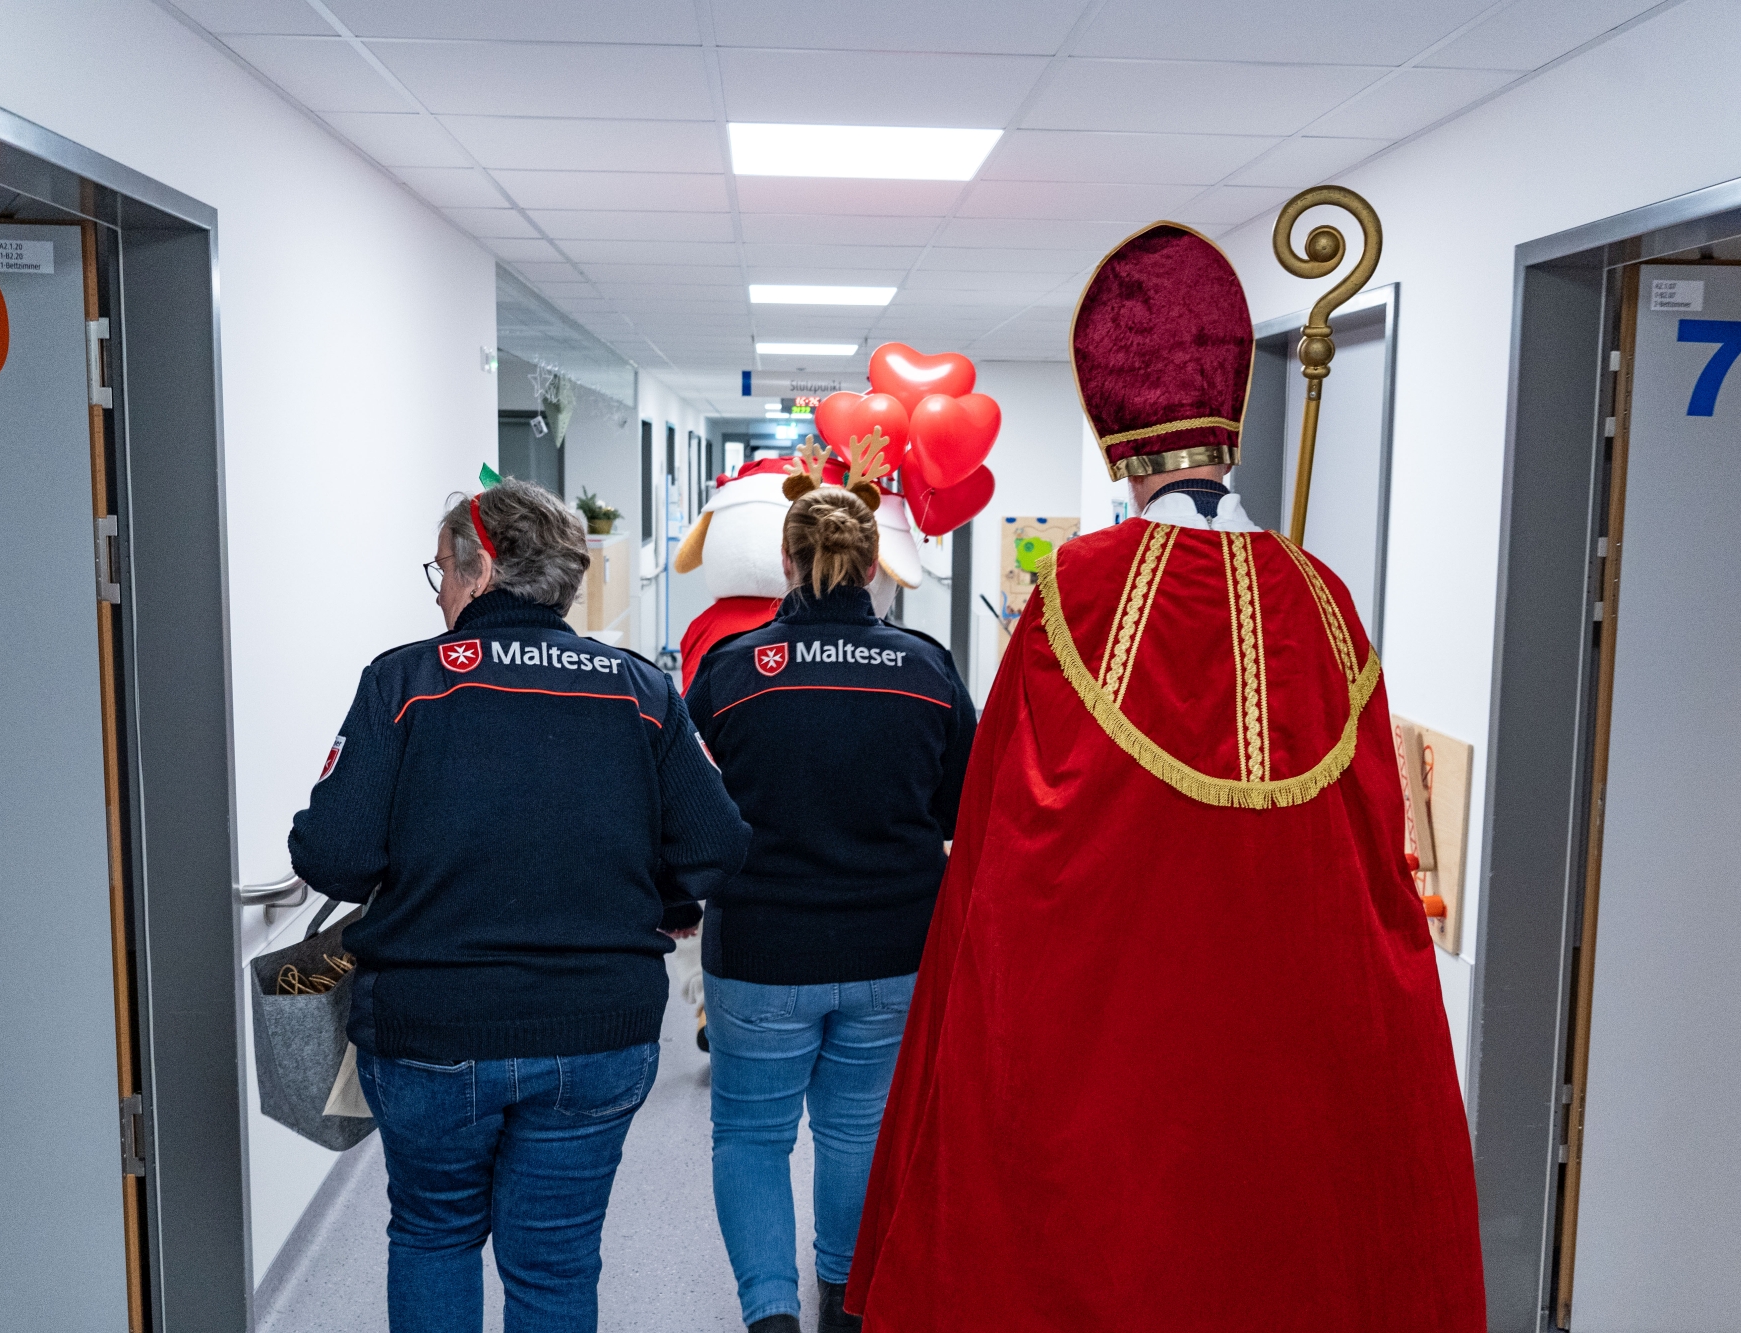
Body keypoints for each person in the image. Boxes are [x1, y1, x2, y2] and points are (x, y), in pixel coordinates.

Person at [848, 223, 1488, 1331]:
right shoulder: (1323, 598)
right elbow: (1375, 861)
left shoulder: (1075, 590)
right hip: (1288, 1064)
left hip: (1103, 1054)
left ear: (1120, 448)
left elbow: (1001, 845)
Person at [287, 478, 751, 1333]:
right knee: (555, 1259)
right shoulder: (640, 690)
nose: (439, 593)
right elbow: (718, 845)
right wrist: (656, 895)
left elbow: (335, 856)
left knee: (433, 1233)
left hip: (434, 1031)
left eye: (439, 572)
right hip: (597, 1029)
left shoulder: (406, 681)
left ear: (478, 570)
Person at [684, 438, 976, 1333]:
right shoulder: (928, 670)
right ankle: (844, 1304)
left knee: (752, 1137)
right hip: (892, 948)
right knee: (857, 1134)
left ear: (785, 558)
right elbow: (965, 803)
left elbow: (685, 808)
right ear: (871, 565)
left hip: (763, 950)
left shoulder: (729, 673)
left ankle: (770, 1315)